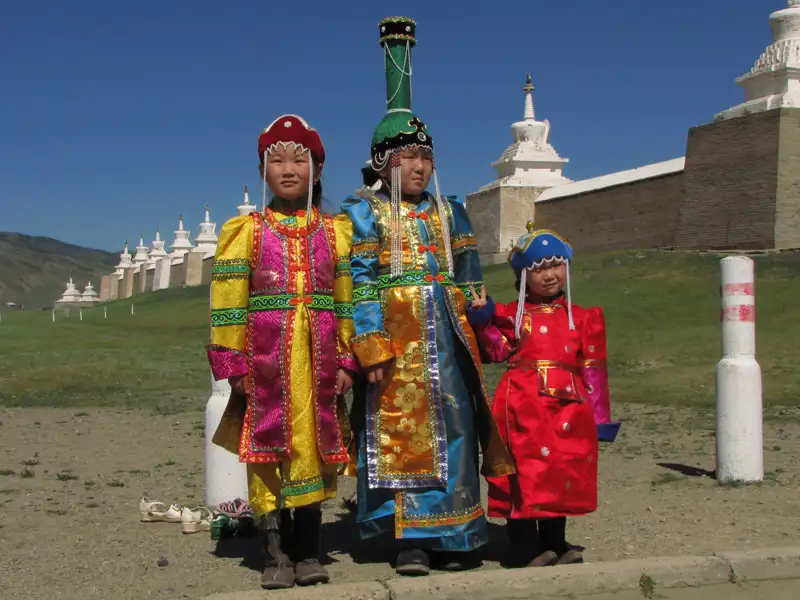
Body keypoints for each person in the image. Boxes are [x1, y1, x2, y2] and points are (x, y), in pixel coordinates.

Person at [341, 17, 514, 576]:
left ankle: (458, 533)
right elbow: (360, 276)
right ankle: (409, 536)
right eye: (406, 155)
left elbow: (468, 274)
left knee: (456, 425)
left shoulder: (448, 210)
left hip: (446, 335)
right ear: (383, 162)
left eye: (425, 155)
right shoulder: (364, 212)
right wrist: (368, 341)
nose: (418, 165)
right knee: (396, 431)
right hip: (395, 340)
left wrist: (485, 323)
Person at [206, 114, 357, 589]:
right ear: (262, 171)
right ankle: (273, 552)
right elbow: (228, 304)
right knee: (268, 450)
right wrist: (234, 367)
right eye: (277, 161)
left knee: (314, 449)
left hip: (319, 359)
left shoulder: (335, 232)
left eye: (299, 159)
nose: (288, 169)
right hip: (266, 359)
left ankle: (307, 550)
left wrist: (348, 359)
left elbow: (347, 299)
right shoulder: (246, 231)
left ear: (316, 170)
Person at [467, 222, 620, 567]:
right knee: (522, 472)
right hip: (521, 408)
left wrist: (599, 418)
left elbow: (593, 371)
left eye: (555, 265)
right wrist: (482, 321)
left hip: (568, 411)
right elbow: (494, 352)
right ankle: (522, 546)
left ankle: (554, 542)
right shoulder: (511, 315)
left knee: (558, 472)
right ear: (523, 275)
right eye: (538, 268)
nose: (549, 275)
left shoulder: (583, 319)